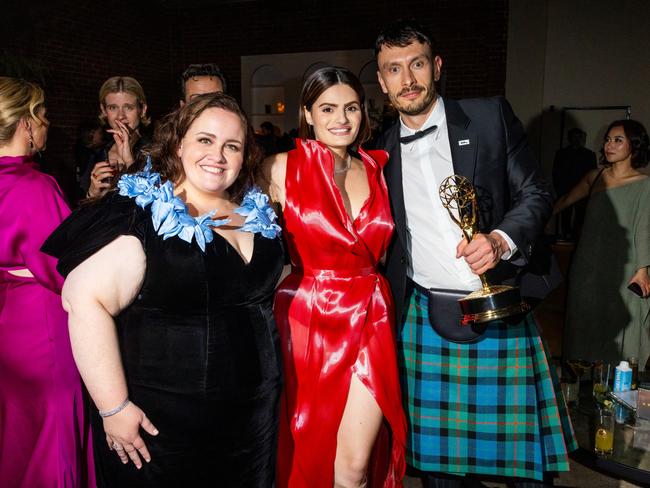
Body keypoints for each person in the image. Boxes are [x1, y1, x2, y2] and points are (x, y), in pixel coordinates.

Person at [43, 93, 284, 487]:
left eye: (232, 146)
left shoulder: (256, 210)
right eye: (205, 140)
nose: (218, 155)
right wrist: (113, 408)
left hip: (251, 422)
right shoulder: (145, 214)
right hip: (164, 430)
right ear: (178, 143)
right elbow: (83, 299)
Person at [374, 20, 576, 487]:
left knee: (526, 471)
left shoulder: (488, 117)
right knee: (440, 472)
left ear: (437, 66)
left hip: (500, 305)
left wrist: (501, 238)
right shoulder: (378, 151)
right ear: (382, 81)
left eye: (417, 64)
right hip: (425, 316)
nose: (408, 80)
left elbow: (536, 192)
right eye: (394, 69)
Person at [264, 66, 406, 488]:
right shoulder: (277, 168)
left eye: (351, 108)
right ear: (307, 113)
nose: (341, 119)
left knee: (353, 466)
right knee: (309, 443)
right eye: (327, 108)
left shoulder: (378, 167)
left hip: (371, 315)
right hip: (307, 317)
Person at [0, 77, 94, 487]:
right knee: (55, 432)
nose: (48, 123)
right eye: (44, 115)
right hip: (44, 328)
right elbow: (66, 270)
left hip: (8, 323)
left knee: (20, 431)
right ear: (26, 122)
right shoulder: (34, 185)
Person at [558, 120, 650, 364]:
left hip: (622, 267)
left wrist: (642, 271)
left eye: (618, 140)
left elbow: (644, 228)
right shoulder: (595, 175)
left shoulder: (644, 184)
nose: (610, 145)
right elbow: (567, 199)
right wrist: (543, 219)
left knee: (618, 325)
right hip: (587, 263)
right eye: (608, 139)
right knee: (582, 321)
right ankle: (579, 385)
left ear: (635, 145)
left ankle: (616, 384)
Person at [81, 76, 151, 198]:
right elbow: (82, 206)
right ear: (104, 110)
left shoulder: (156, 150)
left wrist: (130, 163)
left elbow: (158, 204)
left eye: (128, 107)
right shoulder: (99, 154)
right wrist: (92, 194)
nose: (120, 116)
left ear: (142, 110)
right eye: (113, 108)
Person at [552, 128, 597, 240]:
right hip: (565, 189)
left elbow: (593, 173)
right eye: (574, 136)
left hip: (583, 190)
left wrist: (589, 190)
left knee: (580, 215)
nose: (576, 139)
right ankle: (566, 236)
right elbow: (556, 172)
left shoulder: (589, 154)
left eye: (579, 136)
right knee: (565, 215)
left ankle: (578, 237)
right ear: (569, 138)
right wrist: (559, 189)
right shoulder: (562, 153)